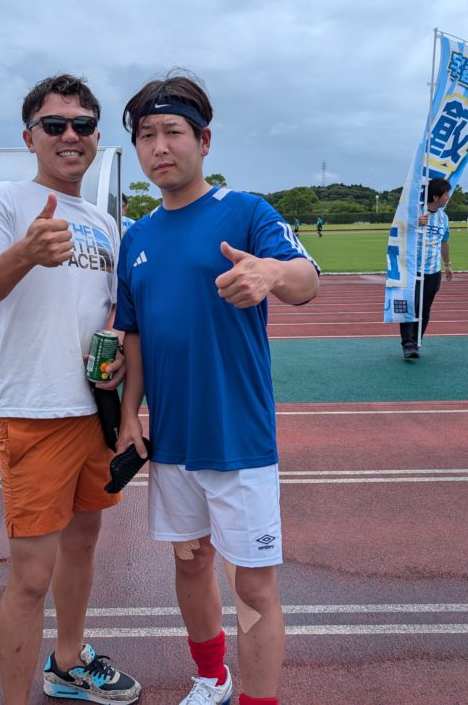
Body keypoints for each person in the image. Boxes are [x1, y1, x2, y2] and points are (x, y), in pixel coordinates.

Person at [114, 73, 319, 705]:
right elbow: (133, 334)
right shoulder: (136, 238)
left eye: (173, 132)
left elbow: (306, 278)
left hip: (237, 436)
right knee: (189, 562)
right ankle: (212, 678)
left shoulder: (246, 212)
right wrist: (128, 414)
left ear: (203, 141)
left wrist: (270, 274)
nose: (159, 146)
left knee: (253, 586)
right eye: (146, 135)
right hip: (172, 439)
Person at [0, 74, 140, 705]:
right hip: (34, 411)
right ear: (29, 136)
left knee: (83, 544)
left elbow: (111, 313)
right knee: (31, 577)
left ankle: (68, 663)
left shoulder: (105, 223)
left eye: (82, 125)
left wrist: (115, 360)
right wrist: (26, 253)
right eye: (54, 125)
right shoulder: (4, 200)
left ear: (95, 137)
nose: (70, 136)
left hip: (93, 412)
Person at [400, 177, 452, 359]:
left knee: (425, 309)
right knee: (410, 306)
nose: (448, 197)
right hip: (413, 269)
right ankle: (407, 344)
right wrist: (415, 223)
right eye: (445, 194)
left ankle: (416, 342)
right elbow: (398, 230)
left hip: (433, 271)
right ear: (436, 196)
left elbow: (444, 242)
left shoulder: (443, 218)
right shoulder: (415, 212)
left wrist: (447, 265)